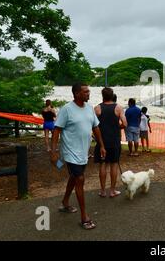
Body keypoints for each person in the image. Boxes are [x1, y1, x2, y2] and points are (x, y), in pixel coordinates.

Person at [50, 83, 106, 230]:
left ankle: (64, 202)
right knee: (80, 178)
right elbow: (56, 130)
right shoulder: (67, 109)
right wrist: (54, 152)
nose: (88, 93)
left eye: (89, 91)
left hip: (83, 152)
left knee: (74, 177)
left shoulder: (89, 108)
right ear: (76, 93)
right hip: (70, 152)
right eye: (85, 92)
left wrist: (102, 145)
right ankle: (84, 217)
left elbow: (96, 127)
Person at [94, 87, 127, 198]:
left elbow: (93, 125)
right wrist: (117, 127)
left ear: (102, 95)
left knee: (103, 164)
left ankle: (103, 191)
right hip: (114, 140)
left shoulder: (97, 108)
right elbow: (125, 124)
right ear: (112, 95)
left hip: (102, 140)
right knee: (114, 164)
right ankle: (112, 191)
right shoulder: (118, 108)